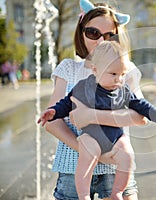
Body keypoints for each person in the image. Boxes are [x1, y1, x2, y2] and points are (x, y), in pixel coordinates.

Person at [38, 41, 156, 200]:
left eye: (122, 74)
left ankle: (117, 192)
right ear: (95, 70)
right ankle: (84, 195)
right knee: (87, 157)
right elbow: (66, 103)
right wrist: (53, 112)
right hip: (91, 135)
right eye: (113, 74)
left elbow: (141, 105)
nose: (118, 79)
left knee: (128, 156)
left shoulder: (123, 90)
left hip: (116, 137)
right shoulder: (84, 86)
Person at [44, 0, 147, 199]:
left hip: (116, 172)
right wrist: (92, 153)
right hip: (73, 169)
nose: (101, 41)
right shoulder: (69, 69)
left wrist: (90, 115)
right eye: (93, 33)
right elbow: (52, 122)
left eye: (109, 35)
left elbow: (140, 117)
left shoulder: (125, 70)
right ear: (81, 32)